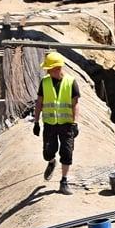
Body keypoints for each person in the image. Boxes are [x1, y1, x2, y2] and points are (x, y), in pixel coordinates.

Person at [34, 51, 80, 195]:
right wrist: (36, 122)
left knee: (67, 153)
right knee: (48, 152)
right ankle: (51, 161)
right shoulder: (45, 82)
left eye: (49, 68)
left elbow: (75, 104)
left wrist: (75, 123)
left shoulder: (71, 82)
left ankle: (64, 181)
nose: (47, 71)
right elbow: (39, 102)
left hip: (66, 125)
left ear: (57, 68)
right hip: (49, 124)